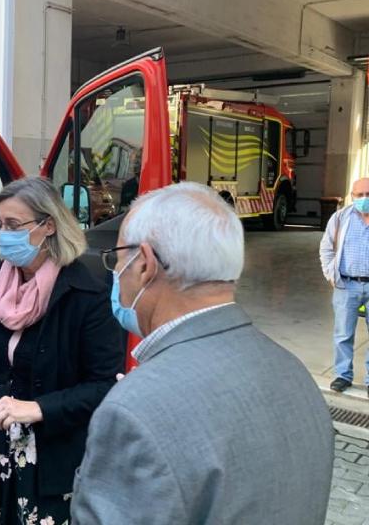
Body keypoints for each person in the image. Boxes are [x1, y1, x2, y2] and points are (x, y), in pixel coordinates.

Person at [71, 182, 334, 525]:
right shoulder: (292, 371)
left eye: (117, 261)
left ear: (145, 264)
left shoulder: (133, 409)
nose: (116, 276)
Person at [0, 176, 123, 525]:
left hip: (48, 459)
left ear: (47, 225)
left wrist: (38, 407)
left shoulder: (86, 293)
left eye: (13, 225)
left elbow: (104, 386)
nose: (3, 234)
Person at [320, 177, 369, 396]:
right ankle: (342, 375)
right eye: (359, 195)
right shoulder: (340, 218)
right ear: (352, 196)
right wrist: (331, 274)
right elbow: (326, 248)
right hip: (346, 285)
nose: (364, 199)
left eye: (368, 194)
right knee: (342, 334)